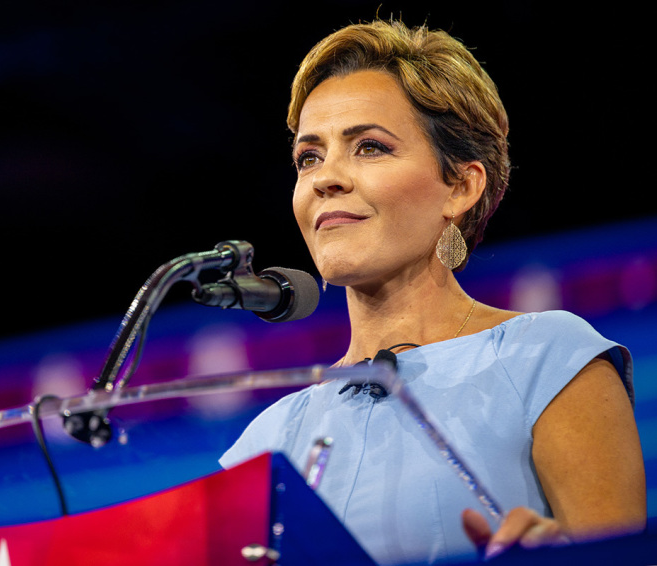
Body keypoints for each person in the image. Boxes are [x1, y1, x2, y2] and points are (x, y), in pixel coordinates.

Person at [219, 19, 645, 565]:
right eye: (309, 157)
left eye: (369, 147)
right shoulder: (267, 441)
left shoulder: (547, 357)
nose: (326, 178)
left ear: (461, 187)